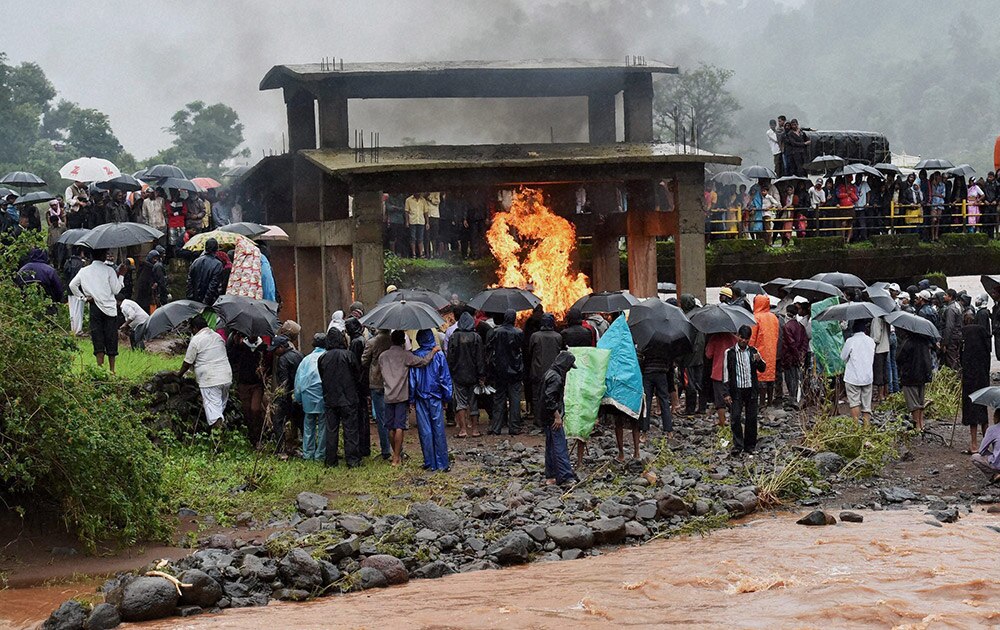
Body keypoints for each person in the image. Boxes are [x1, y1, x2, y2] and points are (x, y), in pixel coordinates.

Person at [378, 330, 439, 466]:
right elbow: (423, 362)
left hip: (388, 394)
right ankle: (396, 457)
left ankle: (395, 454)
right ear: (402, 342)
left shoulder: (383, 356)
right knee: (399, 426)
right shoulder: (406, 355)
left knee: (389, 427)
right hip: (401, 395)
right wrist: (433, 352)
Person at [69, 249, 126, 373]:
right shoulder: (109, 270)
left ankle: (99, 368)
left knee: (97, 336)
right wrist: (121, 275)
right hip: (109, 309)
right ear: (103, 256)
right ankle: (112, 370)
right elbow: (116, 290)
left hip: (94, 306)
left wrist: (83, 298)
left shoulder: (84, 271)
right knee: (111, 337)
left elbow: (72, 285)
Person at [409, 329, 453, 471]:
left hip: (421, 397)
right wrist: (447, 396)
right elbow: (444, 377)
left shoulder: (415, 356)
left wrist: (411, 398)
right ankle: (442, 463)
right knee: (438, 428)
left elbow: (412, 381)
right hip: (436, 396)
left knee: (425, 430)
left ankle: (429, 461)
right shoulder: (439, 355)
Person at [177, 316, 233, 427]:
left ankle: (218, 437)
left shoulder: (196, 339)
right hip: (226, 377)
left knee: (214, 414)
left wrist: (178, 375)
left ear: (195, 328)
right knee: (219, 408)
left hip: (211, 380)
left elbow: (187, 362)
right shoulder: (218, 337)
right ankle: (221, 437)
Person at [318, 328, 361, 467]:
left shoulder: (323, 358)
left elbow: (322, 376)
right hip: (349, 398)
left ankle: (330, 460)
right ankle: (352, 460)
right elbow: (357, 375)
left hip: (330, 398)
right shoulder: (349, 355)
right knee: (351, 429)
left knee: (331, 430)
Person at [722, 325, 767, 456]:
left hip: (750, 388)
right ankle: (738, 444)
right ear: (737, 336)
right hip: (736, 389)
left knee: (751, 418)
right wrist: (726, 393)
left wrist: (758, 361)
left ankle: (750, 444)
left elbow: (762, 368)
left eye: (747, 339)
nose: (744, 341)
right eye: (742, 338)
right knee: (735, 417)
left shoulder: (753, 351)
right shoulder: (729, 353)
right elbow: (725, 373)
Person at [540, 350, 579, 486]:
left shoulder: (549, 373)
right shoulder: (556, 377)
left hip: (545, 416)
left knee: (551, 446)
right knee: (559, 446)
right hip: (552, 417)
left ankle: (551, 476)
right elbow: (550, 398)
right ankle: (565, 476)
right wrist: (557, 416)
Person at [486, 309, 525, 435]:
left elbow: (490, 350)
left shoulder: (495, 332)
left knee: (498, 399)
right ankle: (514, 427)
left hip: (499, 371)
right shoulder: (518, 332)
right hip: (515, 370)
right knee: (515, 400)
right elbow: (521, 350)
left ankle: (496, 427)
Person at [447, 312, 485, 438]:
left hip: (458, 375)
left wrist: (451, 371)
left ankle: (463, 430)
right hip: (473, 375)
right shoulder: (476, 337)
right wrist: (481, 375)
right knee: (473, 402)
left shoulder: (454, 337)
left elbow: (450, 357)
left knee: (460, 402)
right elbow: (480, 358)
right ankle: (475, 430)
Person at [227, 332, 269, 444]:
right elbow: (232, 359)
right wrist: (235, 344)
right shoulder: (240, 347)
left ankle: (258, 435)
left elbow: (268, 363)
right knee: (246, 410)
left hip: (257, 384)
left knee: (255, 409)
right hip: (243, 383)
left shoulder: (262, 347)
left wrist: (263, 370)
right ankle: (252, 436)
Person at [294, 333, 328, 461]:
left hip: (308, 395)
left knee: (308, 425)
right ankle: (321, 454)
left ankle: (308, 453)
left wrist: (298, 398)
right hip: (323, 395)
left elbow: (298, 381)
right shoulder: (326, 357)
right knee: (323, 426)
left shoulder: (306, 360)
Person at [361, 328, 394, 459]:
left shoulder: (372, 342)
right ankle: (398, 448)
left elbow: (364, 361)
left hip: (377, 382)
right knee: (394, 417)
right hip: (393, 382)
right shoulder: (394, 340)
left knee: (381, 419)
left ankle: (385, 450)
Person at [961, 312, 991, 453]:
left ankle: (974, 445)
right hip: (982, 376)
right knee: (983, 408)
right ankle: (986, 443)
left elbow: (961, 357)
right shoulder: (983, 333)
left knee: (971, 409)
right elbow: (988, 353)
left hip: (969, 377)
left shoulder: (964, 334)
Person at [527, 313, 564, 425]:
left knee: (537, 396)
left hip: (538, 371)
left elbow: (530, 352)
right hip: (554, 372)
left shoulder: (535, 336)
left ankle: (538, 420)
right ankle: (552, 419)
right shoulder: (558, 336)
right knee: (553, 396)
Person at [270, 335, 304, 453]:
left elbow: (284, 382)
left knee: (277, 421)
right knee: (301, 422)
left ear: (281, 347)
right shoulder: (299, 354)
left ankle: (281, 449)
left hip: (288, 396)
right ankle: (308, 446)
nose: (274, 352)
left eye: (275, 349)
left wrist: (280, 398)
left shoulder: (283, 360)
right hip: (300, 394)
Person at [841, 320, 876, 426]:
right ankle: (866, 427)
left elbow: (843, 357)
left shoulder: (850, 341)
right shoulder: (871, 341)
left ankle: (856, 426)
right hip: (867, 376)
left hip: (853, 376)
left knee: (854, 402)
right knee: (866, 404)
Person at [345, 317, 371, 458]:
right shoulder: (360, 339)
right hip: (362, 382)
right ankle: (364, 446)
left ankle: (362, 447)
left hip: (358, 384)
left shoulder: (356, 342)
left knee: (360, 416)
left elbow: (355, 365)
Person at [748, 294, 779, 407]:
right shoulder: (774, 317)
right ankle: (769, 402)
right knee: (770, 376)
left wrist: (749, 349)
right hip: (772, 351)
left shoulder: (755, 318)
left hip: (760, 350)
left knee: (760, 377)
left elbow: (752, 337)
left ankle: (761, 403)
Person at [780, 304, 809, 408]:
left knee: (790, 377)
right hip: (798, 355)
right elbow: (805, 342)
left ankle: (793, 399)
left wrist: (797, 354)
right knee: (797, 377)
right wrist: (802, 355)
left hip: (789, 356)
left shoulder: (787, 327)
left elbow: (791, 343)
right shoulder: (801, 326)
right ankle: (797, 398)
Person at [187, 238, 224, 306]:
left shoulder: (196, 261)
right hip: (210, 301)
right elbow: (213, 285)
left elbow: (189, 281)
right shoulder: (218, 264)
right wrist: (205, 302)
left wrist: (190, 297)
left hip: (195, 299)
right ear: (216, 249)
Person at [62, 246, 87, 335]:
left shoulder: (68, 262)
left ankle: (73, 328)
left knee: (72, 310)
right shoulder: (80, 264)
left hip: (69, 289)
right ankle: (78, 330)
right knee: (79, 310)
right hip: (78, 289)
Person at [972, 412, 1000, 483]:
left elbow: (981, 450)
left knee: (975, 457)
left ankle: (993, 475)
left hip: (998, 464)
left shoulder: (992, 429)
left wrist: (994, 454)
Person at [941, 289, 963, 370]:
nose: (944, 296)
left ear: (950, 297)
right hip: (957, 336)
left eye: (945, 295)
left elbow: (949, 326)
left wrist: (945, 343)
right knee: (956, 357)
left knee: (951, 359)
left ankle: (955, 378)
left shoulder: (950, 309)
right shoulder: (957, 306)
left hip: (952, 338)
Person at [405, 193, 427, 258]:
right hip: (412, 221)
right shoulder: (408, 200)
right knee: (412, 237)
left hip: (421, 221)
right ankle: (413, 254)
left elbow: (426, 212)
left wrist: (427, 222)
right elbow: (406, 211)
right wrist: (407, 221)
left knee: (421, 238)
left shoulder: (423, 200)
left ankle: (421, 253)